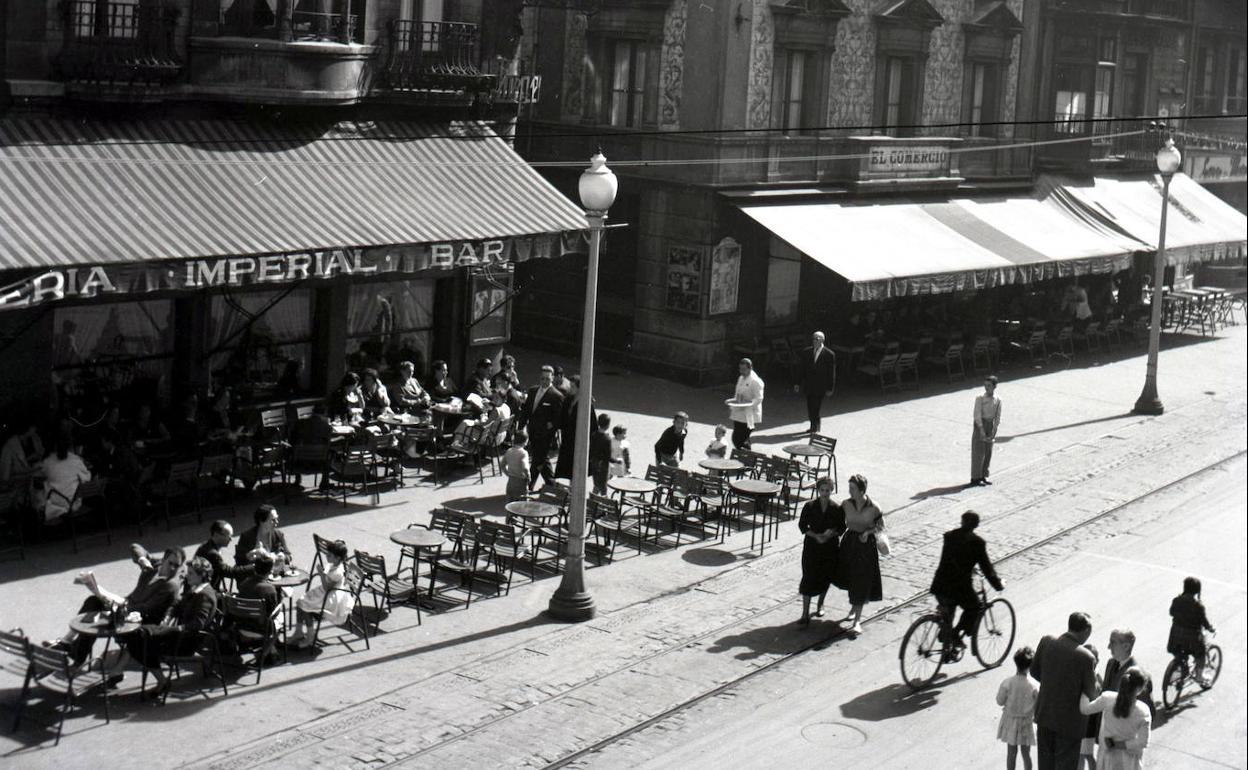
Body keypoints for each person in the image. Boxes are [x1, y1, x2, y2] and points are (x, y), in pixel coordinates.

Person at [56, 545, 185, 666]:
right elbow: (135, 546)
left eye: (176, 566)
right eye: (170, 563)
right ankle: (70, 643)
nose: (172, 568)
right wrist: (142, 559)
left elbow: (147, 608)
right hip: (126, 604)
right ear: (164, 559)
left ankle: (75, 652)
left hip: (140, 618)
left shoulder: (170, 585)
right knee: (93, 601)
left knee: (101, 615)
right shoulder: (155, 565)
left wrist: (119, 605)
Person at [114, 556, 218, 700]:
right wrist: (166, 619)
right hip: (177, 636)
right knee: (136, 638)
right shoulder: (195, 589)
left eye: (191, 573)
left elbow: (196, 625)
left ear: (202, 576)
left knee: (139, 639)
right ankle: (162, 681)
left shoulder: (205, 596)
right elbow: (176, 605)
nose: (187, 575)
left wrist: (170, 630)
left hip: (186, 642)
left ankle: (161, 682)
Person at [1031, 611, 1098, 770]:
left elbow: (1034, 671)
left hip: (1045, 715)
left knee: (1045, 764)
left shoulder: (1047, 641)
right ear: (1086, 630)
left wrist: (1052, 684)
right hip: (1069, 723)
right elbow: (1091, 693)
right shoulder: (1086, 657)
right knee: (1065, 764)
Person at [930, 511, 1004, 651]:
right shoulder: (977, 543)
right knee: (975, 608)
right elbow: (987, 568)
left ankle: (945, 637)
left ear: (962, 521)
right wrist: (998, 585)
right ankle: (955, 635)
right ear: (976, 525)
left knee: (948, 613)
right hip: (959, 587)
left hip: (940, 584)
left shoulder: (949, 536)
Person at [835, 474, 884, 637]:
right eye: (849, 488)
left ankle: (857, 621)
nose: (850, 492)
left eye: (853, 489)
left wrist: (868, 532)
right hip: (849, 544)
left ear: (862, 490)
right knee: (851, 578)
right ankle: (853, 607)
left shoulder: (874, 507)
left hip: (865, 547)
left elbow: (881, 528)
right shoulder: (846, 504)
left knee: (861, 581)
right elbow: (839, 524)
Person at [1078, 667, 1151, 770]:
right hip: (1129, 762)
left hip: (1107, 759)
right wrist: (1118, 744)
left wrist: (1085, 689)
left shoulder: (1107, 698)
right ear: (1139, 689)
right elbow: (1143, 742)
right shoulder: (1143, 710)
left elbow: (1085, 709)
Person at [288, 539, 354, 650]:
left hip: (331, 597)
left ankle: (310, 637)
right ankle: (298, 631)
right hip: (325, 592)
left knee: (305, 607)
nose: (327, 557)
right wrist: (324, 572)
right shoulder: (333, 563)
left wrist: (321, 574)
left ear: (338, 558)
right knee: (300, 602)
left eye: (329, 555)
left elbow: (327, 586)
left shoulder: (338, 572)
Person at [797, 478, 844, 626]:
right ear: (818, 490)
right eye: (822, 490)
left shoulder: (836, 508)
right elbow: (802, 526)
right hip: (812, 547)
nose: (825, 493)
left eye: (828, 490)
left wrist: (830, 534)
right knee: (808, 577)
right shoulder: (810, 506)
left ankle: (820, 604)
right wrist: (816, 536)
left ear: (831, 490)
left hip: (829, 548)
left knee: (825, 576)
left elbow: (842, 527)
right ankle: (805, 613)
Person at [517, 365, 564, 491]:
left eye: (547, 379)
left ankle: (528, 486)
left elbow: (559, 418)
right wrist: (520, 428)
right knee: (542, 460)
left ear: (552, 378)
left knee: (538, 459)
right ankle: (551, 485)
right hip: (532, 431)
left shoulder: (556, 396)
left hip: (545, 435)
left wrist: (551, 426)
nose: (544, 381)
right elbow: (526, 411)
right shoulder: (533, 391)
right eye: (542, 378)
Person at [1167, 576, 1216, 685]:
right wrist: (1210, 628)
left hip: (1175, 635)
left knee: (1178, 651)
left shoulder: (1177, 600)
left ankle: (1182, 666)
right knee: (1201, 654)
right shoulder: (1198, 606)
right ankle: (1199, 676)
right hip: (1191, 638)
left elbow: (1171, 612)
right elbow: (1204, 622)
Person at [998, 646, 1039, 770]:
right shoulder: (1034, 686)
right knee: (1026, 754)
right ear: (1030, 665)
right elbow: (1037, 706)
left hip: (1010, 722)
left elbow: (1000, 701)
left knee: (1011, 753)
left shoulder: (1007, 682)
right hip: (1026, 723)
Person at [35, 438, 92, 524]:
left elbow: (39, 474)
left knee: (38, 492)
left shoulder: (48, 462)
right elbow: (87, 478)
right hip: (74, 503)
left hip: (55, 504)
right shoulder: (76, 460)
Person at [1103, 629, 1153, 718]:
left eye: (1113, 643)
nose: (1108, 646)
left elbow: (1148, 712)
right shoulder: (1111, 663)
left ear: (1126, 646)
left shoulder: (1138, 675)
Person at [555, 374, 596, 480]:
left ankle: (575, 491)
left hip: (578, 441)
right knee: (569, 470)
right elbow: (562, 417)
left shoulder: (586, 403)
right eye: (570, 386)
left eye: (573, 387)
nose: (570, 388)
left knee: (576, 469)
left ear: (579, 388)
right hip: (568, 439)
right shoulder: (568, 399)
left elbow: (593, 425)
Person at [194, 520, 252, 592]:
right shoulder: (212, 553)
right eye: (228, 536)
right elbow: (229, 572)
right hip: (205, 593)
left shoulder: (206, 546)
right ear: (216, 535)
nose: (231, 539)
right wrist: (253, 567)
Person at [798, 331, 837, 435]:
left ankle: (816, 426)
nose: (814, 341)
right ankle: (812, 425)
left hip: (820, 386)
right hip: (809, 384)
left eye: (817, 339)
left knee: (816, 406)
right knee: (810, 406)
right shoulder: (807, 352)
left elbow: (831, 373)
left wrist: (830, 388)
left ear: (822, 340)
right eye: (813, 339)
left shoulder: (829, 354)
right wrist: (797, 383)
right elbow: (802, 369)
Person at [727, 358, 764, 449]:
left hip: (749, 414)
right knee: (736, 438)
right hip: (739, 413)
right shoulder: (740, 378)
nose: (741, 371)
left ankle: (747, 458)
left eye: (743, 369)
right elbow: (737, 395)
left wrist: (749, 404)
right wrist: (731, 403)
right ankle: (743, 458)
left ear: (750, 368)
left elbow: (759, 398)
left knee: (742, 439)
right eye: (740, 369)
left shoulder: (756, 381)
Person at [972, 376, 1002, 486]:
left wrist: (994, 430)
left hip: (990, 424)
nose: (986, 388)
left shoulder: (998, 400)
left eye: (989, 386)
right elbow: (977, 414)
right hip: (981, 424)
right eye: (985, 385)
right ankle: (976, 477)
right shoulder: (980, 398)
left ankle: (984, 475)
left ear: (994, 386)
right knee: (978, 451)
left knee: (988, 451)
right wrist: (981, 428)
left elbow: (998, 416)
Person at [0, 416, 45, 484]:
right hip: (19, 481)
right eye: (33, 427)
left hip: (36, 476)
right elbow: (5, 474)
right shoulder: (10, 446)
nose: (36, 429)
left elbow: (41, 452)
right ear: (27, 428)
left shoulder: (35, 438)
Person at [1080, 645, 1102, 769]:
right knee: (1084, 755)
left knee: (1085, 755)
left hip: (1087, 725)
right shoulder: (1095, 675)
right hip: (1087, 725)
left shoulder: (1092, 678)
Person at [502, 430, 531, 502]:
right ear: (525, 441)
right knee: (522, 504)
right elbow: (525, 467)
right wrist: (528, 476)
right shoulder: (524, 453)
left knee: (510, 503)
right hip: (520, 481)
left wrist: (507, 473)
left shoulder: (509, 451)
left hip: (511, 481)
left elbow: (502, 465)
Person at [589, 413, 613, 495]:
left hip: (594, 463)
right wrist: (616, 461)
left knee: (596, 485)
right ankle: (604, 504)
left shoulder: (593, 435)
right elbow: (608, 456)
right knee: (603, 487)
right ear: (608, 425)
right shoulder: (607, 439)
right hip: (603, 466)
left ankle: (591, 500)